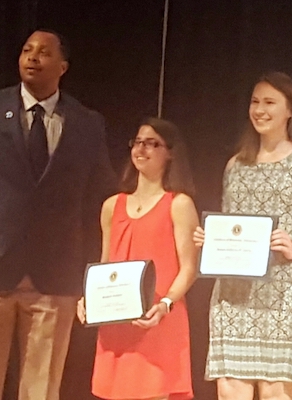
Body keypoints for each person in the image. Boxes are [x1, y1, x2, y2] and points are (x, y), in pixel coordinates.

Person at [0, 29, 117, 400]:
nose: (33, 57)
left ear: (62, 67)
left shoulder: (86, 122)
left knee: (42, 386)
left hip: (54, 273)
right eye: (27, 50)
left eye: (44, 52)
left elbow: (102, 197)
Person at [194, 72, 292, 400]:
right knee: (230, 386)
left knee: (276, 390)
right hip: (234, 294)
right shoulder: (235, 166)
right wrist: (211, 241)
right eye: (255, 102)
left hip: (286, 295)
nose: (260, 110)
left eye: (270, 102)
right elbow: (233, 227)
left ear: (290, 111)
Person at [77, 118, 199, 400]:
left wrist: (165, 304)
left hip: (158, 320)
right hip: (117, 321)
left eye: (152, 143)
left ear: (169, 153)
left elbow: (189, 268)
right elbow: (105, 264)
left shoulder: (178, 204)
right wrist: (89, 299)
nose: (141, 149)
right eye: (138, 142)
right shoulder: (112, 205)